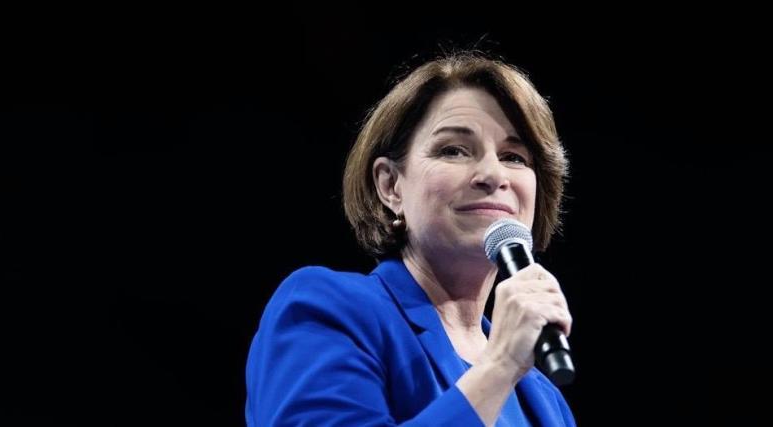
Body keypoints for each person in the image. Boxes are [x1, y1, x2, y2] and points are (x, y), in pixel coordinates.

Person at [245, 52, 575, 426]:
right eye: (453, 150)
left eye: (514, 156)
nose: (492, 174)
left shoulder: (545, 399)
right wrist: (499, 367)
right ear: (390, 185)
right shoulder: (326, 309)